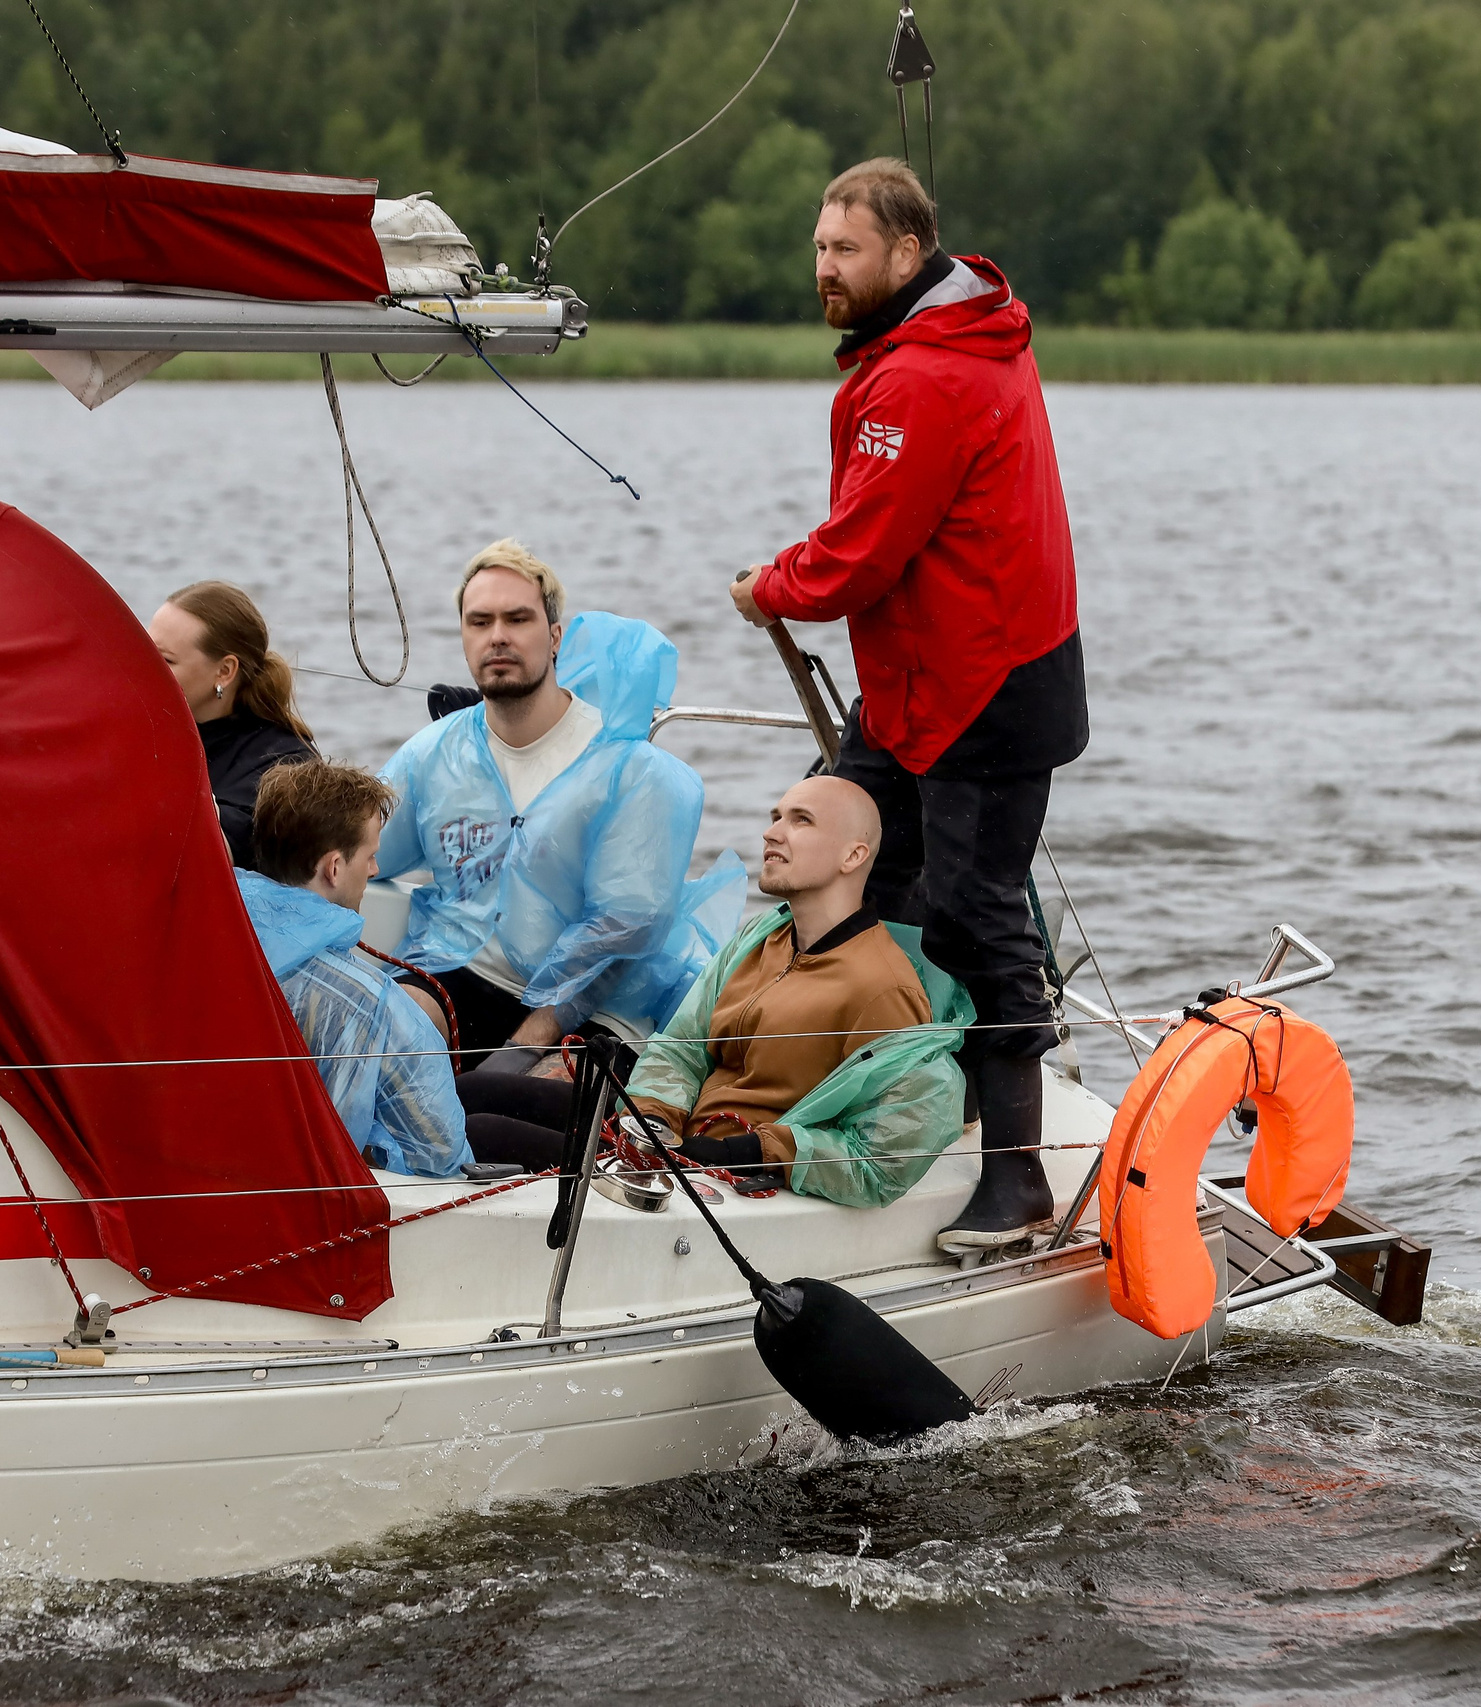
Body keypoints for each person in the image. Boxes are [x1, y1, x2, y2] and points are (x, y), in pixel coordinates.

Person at [732, 158, 1085, 1250]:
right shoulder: (950, 336)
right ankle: (891, 1094)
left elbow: (857, 557)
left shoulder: (922, 376)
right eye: (818, 249)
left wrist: (766, 588)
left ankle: (1015, 1175)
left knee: (978, 918)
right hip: (919, 689)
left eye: (844, 250)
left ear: (903, 251)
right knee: (839, 857)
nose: (826, 269)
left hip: (981, 689)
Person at [458, 775, 972, 1207]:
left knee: (483, 1131)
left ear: (853, 855)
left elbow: (882, 1155)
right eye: (776, 816)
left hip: (720, 1168)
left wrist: (752, 1152)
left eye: (801, 821)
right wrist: (655, 1118)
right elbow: (683, 1043)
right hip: (671, 1136)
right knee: (468, 1091)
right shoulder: (762, 936)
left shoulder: (882, 987)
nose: (772, 833)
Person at [378, 539, 742, 1066]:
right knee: (382, 1040)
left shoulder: (627, 767)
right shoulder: (434, 754)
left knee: (525, 1105)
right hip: (462, 970)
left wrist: (527, 1042)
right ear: (462, 637)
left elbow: (625, 927)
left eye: (517, 619)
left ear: (554, 638)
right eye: (480, 622)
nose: (498, 636)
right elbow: (357, 845)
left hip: (594, 1005)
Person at [235, 760, 469, 1179]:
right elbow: (439, 1154)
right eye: (371, 855)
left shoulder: (215, 925)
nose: (376, 870)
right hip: (351, 1189)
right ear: (334, 868)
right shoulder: (365, 999)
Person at [147, 581, 318, 865]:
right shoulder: (135, 730)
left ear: (225, 671)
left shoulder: (286, 765)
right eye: (146, 652)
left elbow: (224, 854)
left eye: (165, 660)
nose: (146, 668)